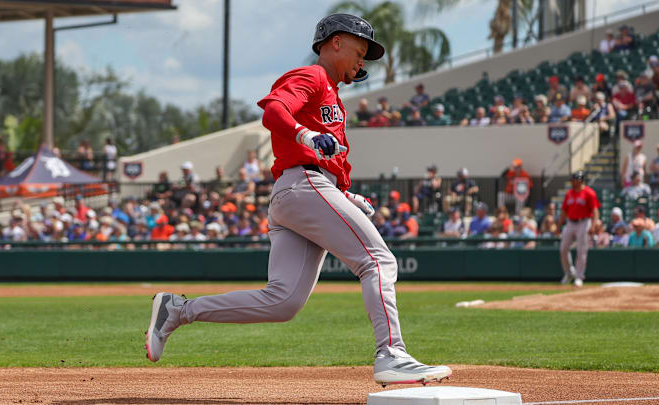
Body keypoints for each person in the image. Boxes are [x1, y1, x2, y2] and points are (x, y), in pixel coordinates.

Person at [143, 13, 451, 387]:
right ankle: (392, 353)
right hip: (301, 185)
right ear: (335, 42)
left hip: (300, 191)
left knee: (282, 301)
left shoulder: (333, 95)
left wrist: (346, 195)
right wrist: (304, 136)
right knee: (377, 260)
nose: (363, 59)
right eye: (360, 49)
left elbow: (324, 160)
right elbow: (274, 111)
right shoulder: (313, 76)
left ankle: (178, 310)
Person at [556, 171, 600, 287]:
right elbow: (564, 211)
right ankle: (569, 272)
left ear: (581, 180)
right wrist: (559, 225)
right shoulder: (569, 193)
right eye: (572, 180)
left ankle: (579, 276)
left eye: (575, 180)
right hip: (570, 222)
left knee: (581, 250)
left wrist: (593, 225)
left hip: (584, 222)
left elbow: (595, 210)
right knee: (563, 249)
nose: (573, 182)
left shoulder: (589, 193)